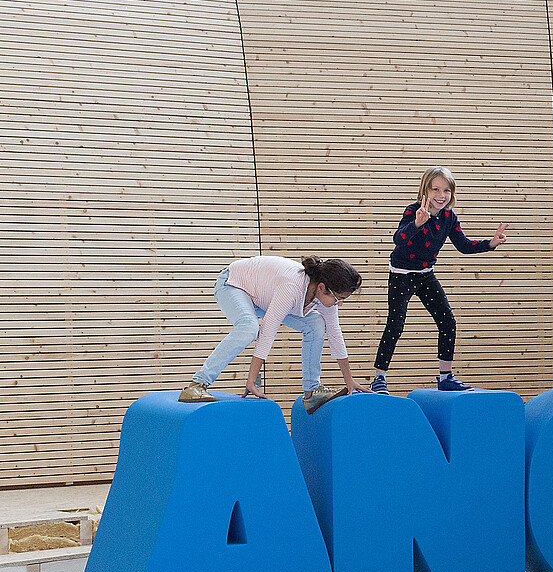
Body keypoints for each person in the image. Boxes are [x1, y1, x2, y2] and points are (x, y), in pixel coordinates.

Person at [371, 166, 509, 394]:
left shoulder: (449, 217)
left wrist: (491, 243)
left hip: (425, 275)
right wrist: (417, 223)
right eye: (435, 189)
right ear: (425, 190)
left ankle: (445, 376)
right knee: (395, 324)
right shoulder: (413, 211)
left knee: (448, 322)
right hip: (401, 274)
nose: (441, 195)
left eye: (446, 190)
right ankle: (379, 378)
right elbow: (399, 239)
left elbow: (464, 246)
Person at [180, 255, 367, 414]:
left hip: (263, 297)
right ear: (321, 287)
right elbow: (268, 329)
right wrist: (251, 381)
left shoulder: (323, 298)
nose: (339, 304)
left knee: (316, 324)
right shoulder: (292, 287)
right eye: (338, 299)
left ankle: (312, 392)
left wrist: (349, 381)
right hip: (234, 284)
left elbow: (335, 334)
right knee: (249, 327)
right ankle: (197, 384)